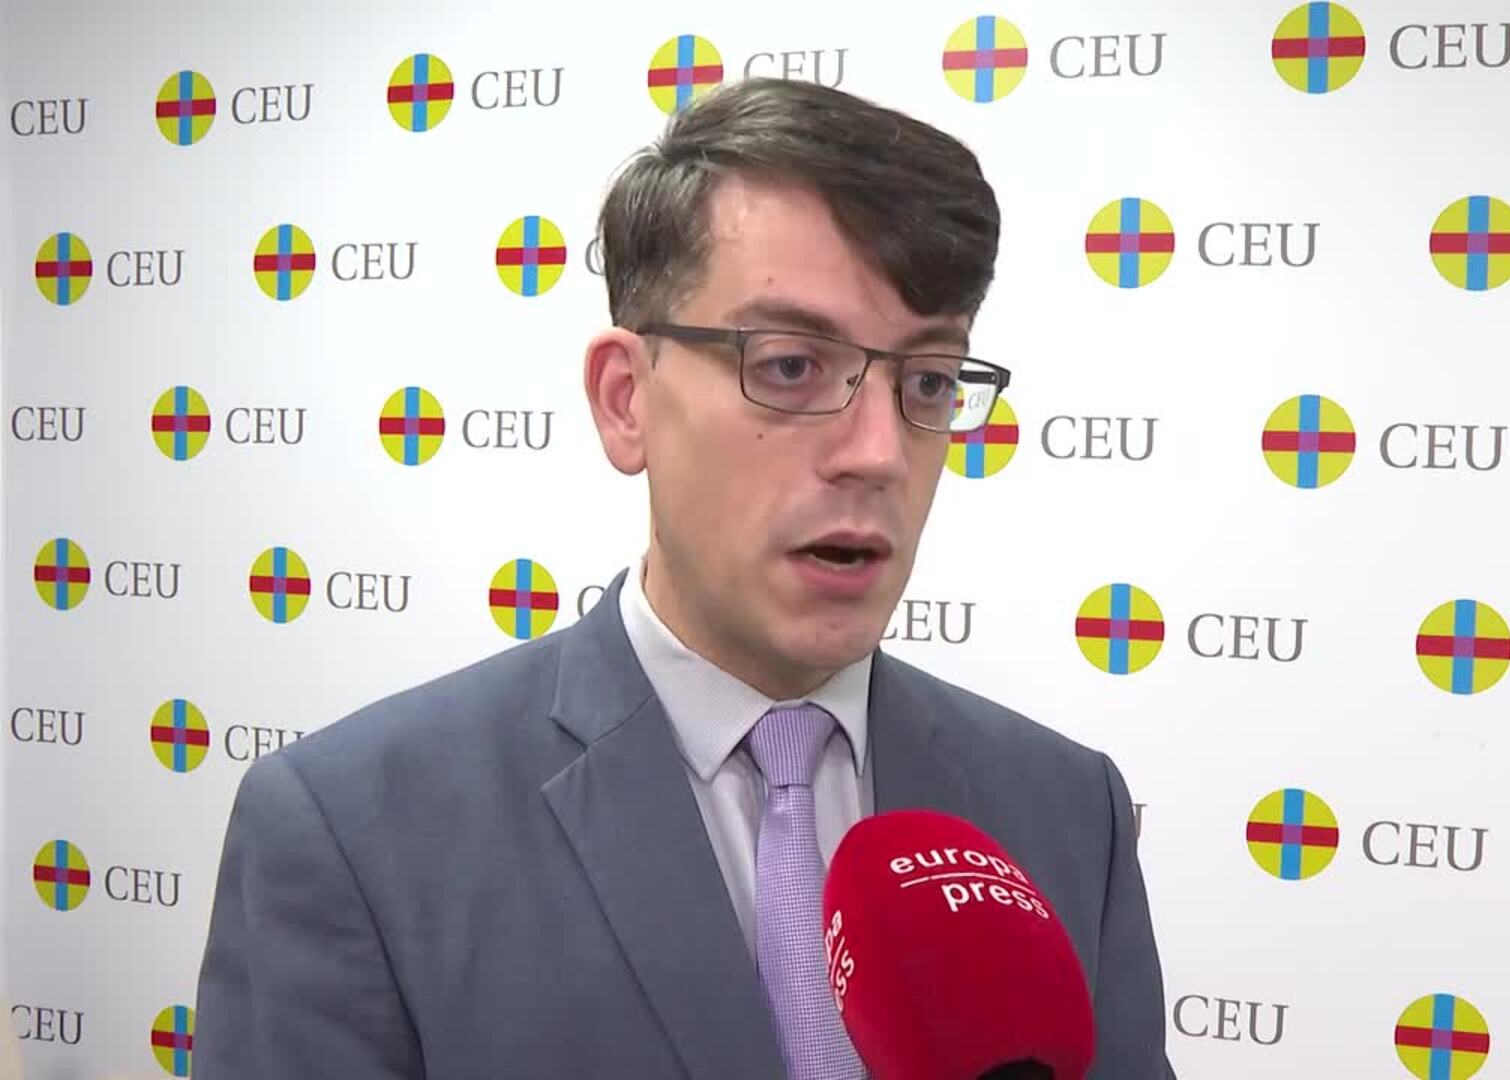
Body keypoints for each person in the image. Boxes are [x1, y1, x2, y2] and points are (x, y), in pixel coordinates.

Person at [194, 77, 1171, 1078]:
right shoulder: (354, 835)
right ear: (627, 401)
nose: (879, 451)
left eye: (927, 381)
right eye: (790, 366)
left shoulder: (1067, 811)